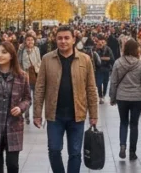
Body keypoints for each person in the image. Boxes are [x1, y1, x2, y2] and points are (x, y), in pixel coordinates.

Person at [34, 25, 99, 173]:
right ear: (55, 40)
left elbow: (91, 88)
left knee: (75, 153)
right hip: (54, 114)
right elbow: (39, 88)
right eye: (60, 38)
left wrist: (94, 115)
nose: (63, 41)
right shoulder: (47, 59)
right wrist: (37, 113)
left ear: (73, 39)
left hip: (77, 114)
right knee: (54, 150)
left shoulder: (85, 59)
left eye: (66, 38)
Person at [0, 42, 32, 173]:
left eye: (4, 52)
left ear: (12, 55)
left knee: (13, 164)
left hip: (13, 125)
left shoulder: (22, 75)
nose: (0, 55)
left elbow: (28, 98)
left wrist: (21, 107)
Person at [109, 39, 141, 161]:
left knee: (123, 122)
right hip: (136, 97)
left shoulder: (118, 63)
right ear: (136, 50)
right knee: (134, 124)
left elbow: (114, 81)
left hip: (122, 97)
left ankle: (122, 146)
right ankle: (132, 152)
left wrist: (112, 97)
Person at [18, 34, 42, 123]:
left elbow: (39, 61)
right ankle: (26, 116)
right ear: (25, 41)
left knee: (36, 97)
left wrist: (37, 68)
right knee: (27, 98)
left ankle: (36, 116)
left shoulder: (36, 49)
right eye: (28, 40)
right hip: (25, 76)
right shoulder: (21, 50)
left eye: (32, 40)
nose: (30, 41)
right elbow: (18, 62)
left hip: (35, 76)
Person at [94, 36, 114, 104]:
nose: (101, 44)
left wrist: (101, 58)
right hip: (99, 69)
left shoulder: (108, 49)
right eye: (99, 43)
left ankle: (104, 94)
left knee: (105, 83)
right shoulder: (95, 50)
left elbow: (111, 59)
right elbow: (94, 59)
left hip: (106, 68)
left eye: (102, 42)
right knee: (99, 83)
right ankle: (100, 97)